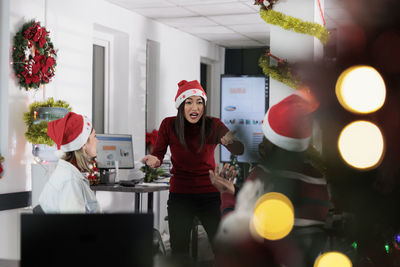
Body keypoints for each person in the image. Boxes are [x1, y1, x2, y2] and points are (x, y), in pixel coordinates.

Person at [209, 93, 331, 267]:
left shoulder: (262, 176)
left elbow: (237, 237)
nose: (261, 143)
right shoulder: (318, 179)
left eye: (264, 137)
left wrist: (226, 196)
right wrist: (236, 191)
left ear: (272, 141)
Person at [142, 80, 244, 257]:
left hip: (209, 195)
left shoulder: (214, 125)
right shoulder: (168, 125)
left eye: (199, 102)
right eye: (189, 102)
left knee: (222, 249)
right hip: (180, 196)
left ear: (204, 105)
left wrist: (231, 142)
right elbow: (158, 155)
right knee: (179, 251)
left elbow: (238, 149)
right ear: (181, 106)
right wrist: (154, 160)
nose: (194, 107)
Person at [38, 112, 101, 213]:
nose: (97, 141)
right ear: (84, 144)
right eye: (94, 136)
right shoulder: (70, 181)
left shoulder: (69, 172)